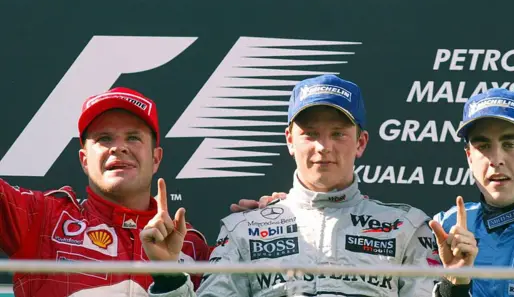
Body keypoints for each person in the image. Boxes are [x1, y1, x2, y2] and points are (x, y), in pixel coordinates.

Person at [233, 87, 514, 296]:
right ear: (467, 155)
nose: (496, 158)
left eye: (511, 143)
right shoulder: (442, 227)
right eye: (482, 144)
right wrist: (287, 212)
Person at [141, 74, 478, 297]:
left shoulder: (405, 226)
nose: (323, 146)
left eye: (338, 134)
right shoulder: (243, 227)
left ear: (360, 143)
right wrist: (169, 276)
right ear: (290, 140)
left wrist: (454, 285)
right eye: (310, 134)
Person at [0, 87, 210, 297]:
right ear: (84, 160)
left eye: (133, 137)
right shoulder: (42, 217)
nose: (118, 148)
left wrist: (170, 279)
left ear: (156, 159)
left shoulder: (190, 245)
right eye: (105, 138)